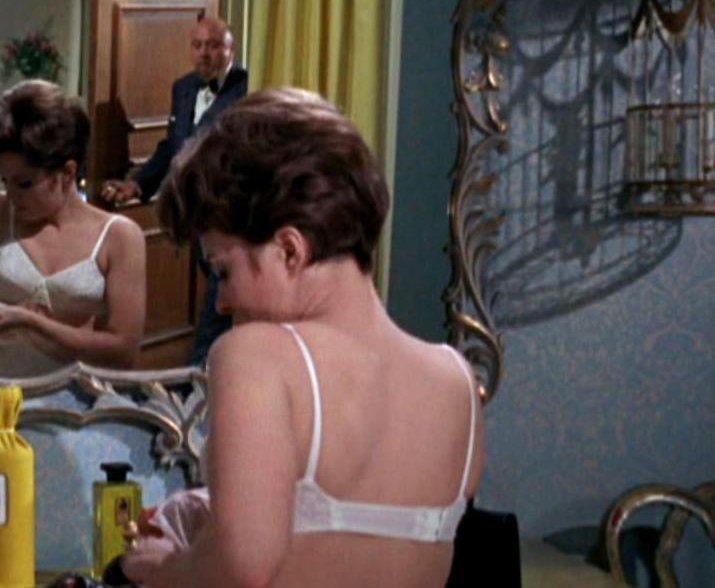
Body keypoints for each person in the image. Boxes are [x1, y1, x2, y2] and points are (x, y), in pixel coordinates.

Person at [119, 89, 485, 587]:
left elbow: (241, 568)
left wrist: (162, 566)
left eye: (223, 271)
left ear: (290, 250)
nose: (221, 302)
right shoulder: (457, 382)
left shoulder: (258, 355)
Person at [101, 16, 248, 366]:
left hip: (229, 219)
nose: (205, 54)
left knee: (218, 306)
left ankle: (193, 379)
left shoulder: (247, 89)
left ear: (231, 50)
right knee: (219, 305)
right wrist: (139, 184)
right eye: (198, 46)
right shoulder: (183, 87)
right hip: (192, 215)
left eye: (214, 46)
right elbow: (171, 147)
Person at [0, 79, 146, 376]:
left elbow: (123, 351)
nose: (12, 196)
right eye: (5, 181)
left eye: (24, 183)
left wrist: (34, 324)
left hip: (76, 395)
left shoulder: (119, 237)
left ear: (67, 172)